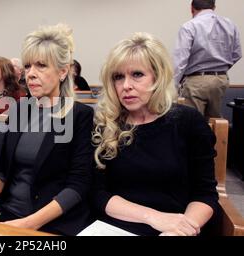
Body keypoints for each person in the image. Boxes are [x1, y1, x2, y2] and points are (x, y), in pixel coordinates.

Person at [90, 32, 219, 236]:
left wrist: (179, 231)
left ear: (157, 77)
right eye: (118, 77)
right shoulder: (105, 125)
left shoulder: (188, 122)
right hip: (115, 227)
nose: (126, 86)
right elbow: (98, 194)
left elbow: (205, 195)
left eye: (137, 74)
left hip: (179, 227)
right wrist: (153, 217)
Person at [0, 24, 94, 235]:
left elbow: (78, 185)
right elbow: (1, 168)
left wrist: (28, 224)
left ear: (62, 71)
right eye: (28, 66)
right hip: (4, 212)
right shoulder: (20, 109)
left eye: (41, 66)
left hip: (51, 222)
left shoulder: (80, 115)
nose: (30, 74)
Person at [173, 0, 242, 118]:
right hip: (220, 80)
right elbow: (237, 54)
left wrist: (173, 87)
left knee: (192, 123)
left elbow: (180, 60)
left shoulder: (189, 26)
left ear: (192, 8)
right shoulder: (230, 24)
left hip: (196, 81)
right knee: (215, 123)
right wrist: (221, 68)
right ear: (214, 7)